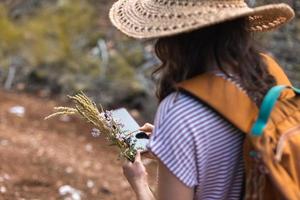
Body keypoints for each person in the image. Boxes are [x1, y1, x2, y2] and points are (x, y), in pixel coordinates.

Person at [109, 0, 295, 199]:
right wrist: (175, 146)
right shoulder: (268, 73)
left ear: (175, 35)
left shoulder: (179, 111)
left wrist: (139, 184)